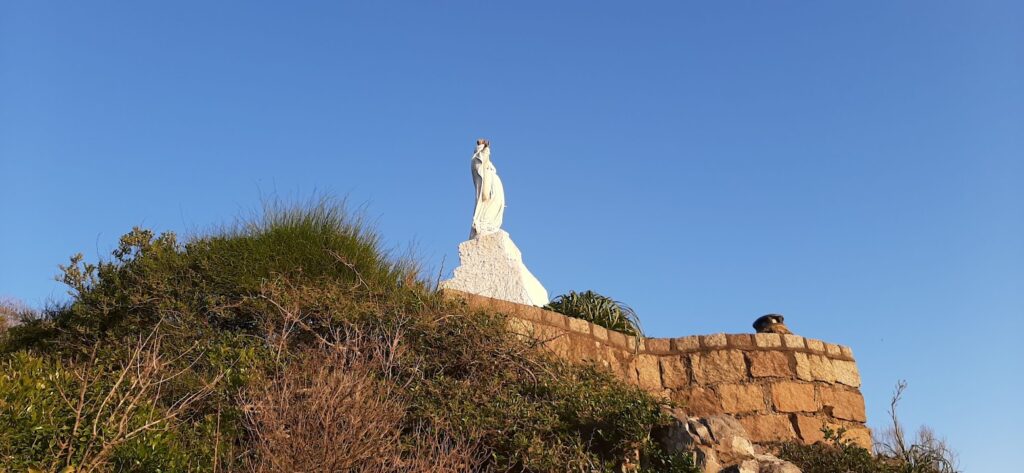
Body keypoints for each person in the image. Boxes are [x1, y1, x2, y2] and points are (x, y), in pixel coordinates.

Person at [470, 139, 505, 238]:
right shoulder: (476, 161)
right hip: (488, 193)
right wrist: (483, 147)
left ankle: (491, 226)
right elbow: (481, 158)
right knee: (489, 206)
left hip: (495, 190)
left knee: (496, 204)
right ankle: (485, 226)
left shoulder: (489, 167)